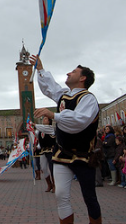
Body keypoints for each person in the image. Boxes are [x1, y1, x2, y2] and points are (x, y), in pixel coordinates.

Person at [30, 54, 101, 224]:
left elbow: (78, 121)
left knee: (89, 197)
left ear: (82, 78)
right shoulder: (64, 95)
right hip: (61, 155)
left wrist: (53, 115)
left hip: (83, 156)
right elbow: (51, 88)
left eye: (73, 72)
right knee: (61, 195)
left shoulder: (88, 99)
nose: (69, 73)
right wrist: (40, 69)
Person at [34, 116, 56, 193]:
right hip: (43, 151)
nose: (44, 119)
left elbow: (43, 128)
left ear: (49, 121)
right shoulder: (40, 131)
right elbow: (37, 137)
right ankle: (49, 184)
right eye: (43, 118)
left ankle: (55, 185)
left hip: (51, 150)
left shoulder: (51, 128)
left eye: (46, 118)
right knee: (43, 167)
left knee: (52, 167)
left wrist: (33, 124)